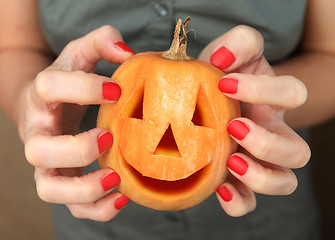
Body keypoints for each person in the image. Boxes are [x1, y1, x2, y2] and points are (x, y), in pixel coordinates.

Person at [0, 0, 333, 239]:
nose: (166, 146)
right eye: (140, 112)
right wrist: (31, 104)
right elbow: (13, 47)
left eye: (197, 120)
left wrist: (263, 106)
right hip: (91, 222)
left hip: (268, 223)